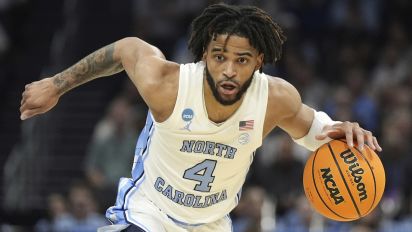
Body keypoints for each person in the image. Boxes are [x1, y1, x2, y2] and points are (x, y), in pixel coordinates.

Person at [20, 3, 382, 232]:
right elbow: (126, 49)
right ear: (204, 53)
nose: (228, 70)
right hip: (151, 215)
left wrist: (340, 130)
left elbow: (314, 132)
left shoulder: (275, 98)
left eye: (241, 60)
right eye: (219, 56)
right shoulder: (169, 85)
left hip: (211, 223)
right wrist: (56, 84)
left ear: (258, 61)